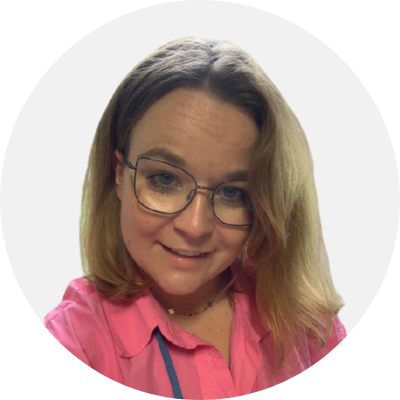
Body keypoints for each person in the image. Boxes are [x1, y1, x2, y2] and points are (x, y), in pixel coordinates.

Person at [44, 37, 346, 398]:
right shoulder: (75, 339)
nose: (195, 226)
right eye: (164, 179)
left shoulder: (306, 322)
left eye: (232, 192)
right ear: (119, 173)